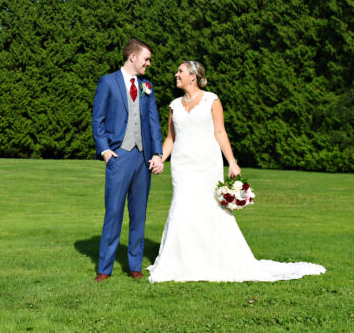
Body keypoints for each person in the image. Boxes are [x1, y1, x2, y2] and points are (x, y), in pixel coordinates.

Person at [147, 60, 325, 282]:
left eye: (180, 71)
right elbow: (171, 138)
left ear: (192, 76)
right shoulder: (174, 105)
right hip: (182, 167)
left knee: (209, 210)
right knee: (182, 208)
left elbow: (220, 132)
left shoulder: (212, 100)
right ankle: (182, 261)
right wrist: (160, 159)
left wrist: (231, 161)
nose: (176, 74)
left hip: (206, 165)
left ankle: (213, 260)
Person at [91, 38, 164, 282]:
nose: (149, 63)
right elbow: (97, 120)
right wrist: (105, 150)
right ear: (132, 57)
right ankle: (104, 268)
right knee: (113, 213)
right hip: (119, 157)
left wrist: (156, 153)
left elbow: (153, 122)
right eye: (146, 58)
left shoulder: (147, 87)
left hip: (143, 159)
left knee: (139, 214)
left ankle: (134, 265)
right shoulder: (108, 82)